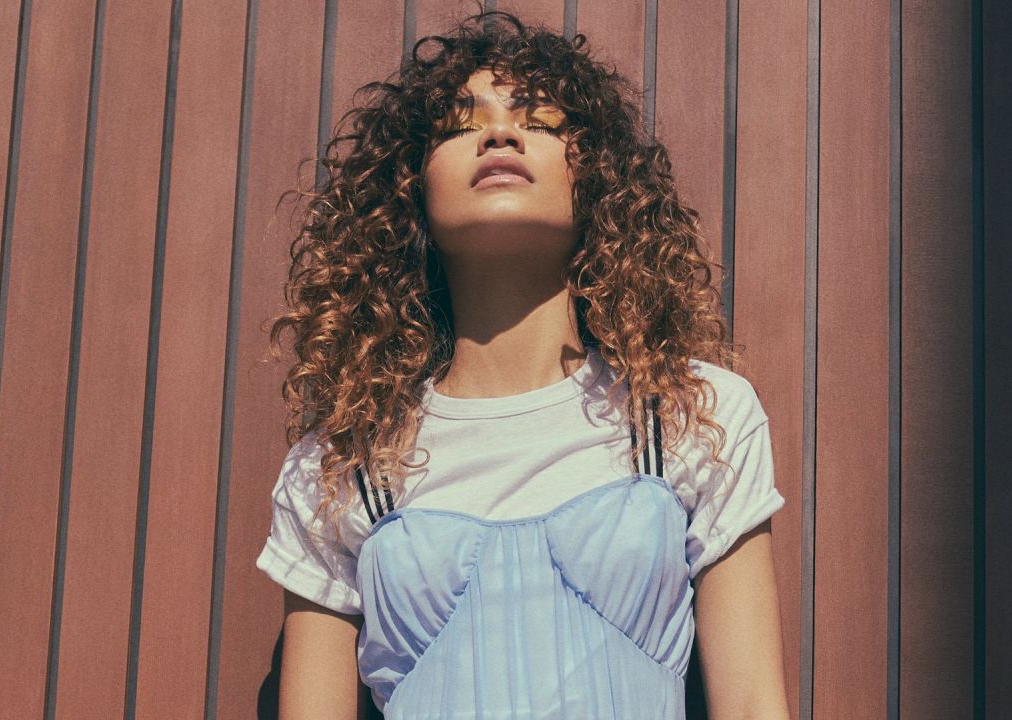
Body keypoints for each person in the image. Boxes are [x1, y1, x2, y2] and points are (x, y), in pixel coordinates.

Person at [256, 10, 790, 720]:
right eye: (460, 124)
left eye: (538, 120)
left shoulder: (693, 416)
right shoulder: (340, 468)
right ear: (410, 192)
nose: (500, 134)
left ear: (598, 181)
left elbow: (752, 704)